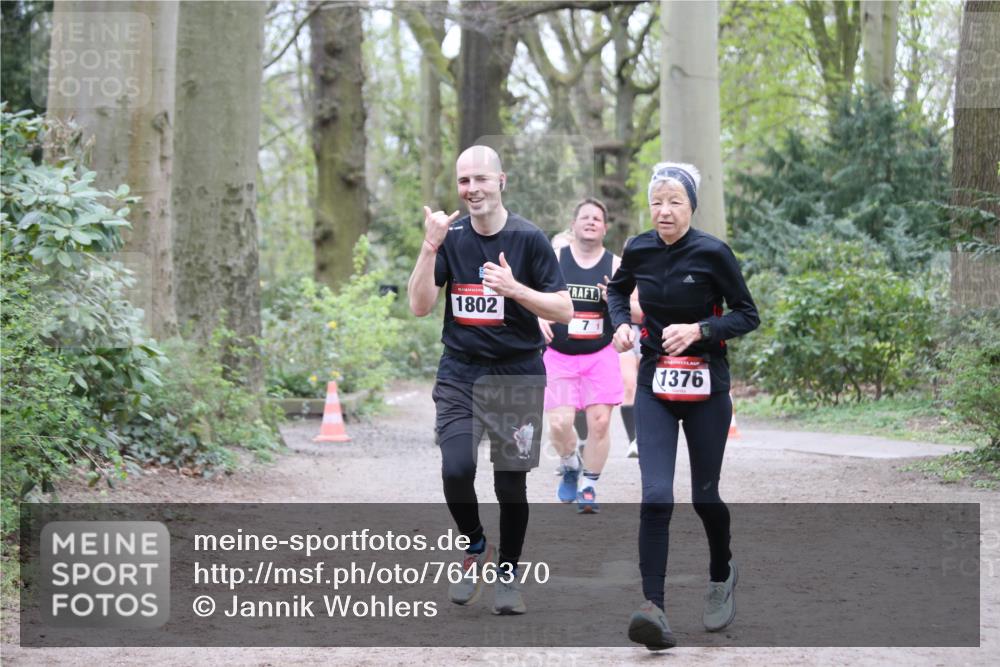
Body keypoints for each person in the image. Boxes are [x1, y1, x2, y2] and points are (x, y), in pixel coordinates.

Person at [408, 145, 572, 616]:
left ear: (502, 181)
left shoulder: (529, 238)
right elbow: (419, 305)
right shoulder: (451, 237)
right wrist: (429, 246)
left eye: (481, 179)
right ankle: (474, 544)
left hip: (517, 374)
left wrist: (515, 289)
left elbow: (564, 309)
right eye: (464, 181)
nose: (472, 189)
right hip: (460, 373)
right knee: (456, 469)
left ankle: (507, 576)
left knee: (510, 487)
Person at [607, 162, 759, 650]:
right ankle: (653, 608)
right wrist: (621, 325)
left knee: (704, 497)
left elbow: (747, 315)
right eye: (657, 201)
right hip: (654, 385)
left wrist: (700, 330)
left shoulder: (713, 252)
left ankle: (721, 573)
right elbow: (616, 291)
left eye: (675, 201)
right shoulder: (639, 248)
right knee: (656, 496)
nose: (664, 210)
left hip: (706, 389)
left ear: (691, 206)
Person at [538, 198, 623, 513]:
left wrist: (613, 300)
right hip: (559, 354)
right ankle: (570, 464)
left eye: (597, 219)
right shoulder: (555, 258)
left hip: (599, 354)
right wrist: (537, 316)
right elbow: (529, 295)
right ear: (573, 225)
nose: (590, 222)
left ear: (605, 228)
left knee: (600, 423)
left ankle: (589, 485)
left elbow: (634, 309)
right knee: (559, 424)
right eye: (585, 217)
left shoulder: (615, 266)